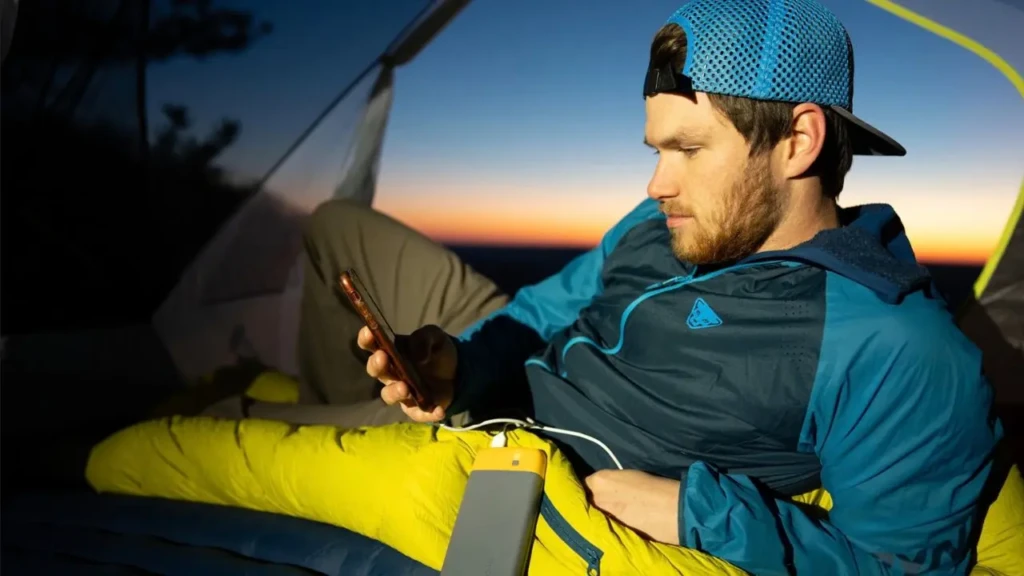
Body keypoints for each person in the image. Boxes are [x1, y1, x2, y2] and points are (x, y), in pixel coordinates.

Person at [351, 1, 1003, 574]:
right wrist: (462, 365)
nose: (655, 186)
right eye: (656, 151)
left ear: (799, 141)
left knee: (259, 442)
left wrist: (702, 514)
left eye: (689, 150)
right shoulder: (660, 222)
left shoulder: (895, 349)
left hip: (514, 454)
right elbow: (550, 305)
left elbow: (901, 566)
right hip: (495, 386)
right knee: (336, 227)